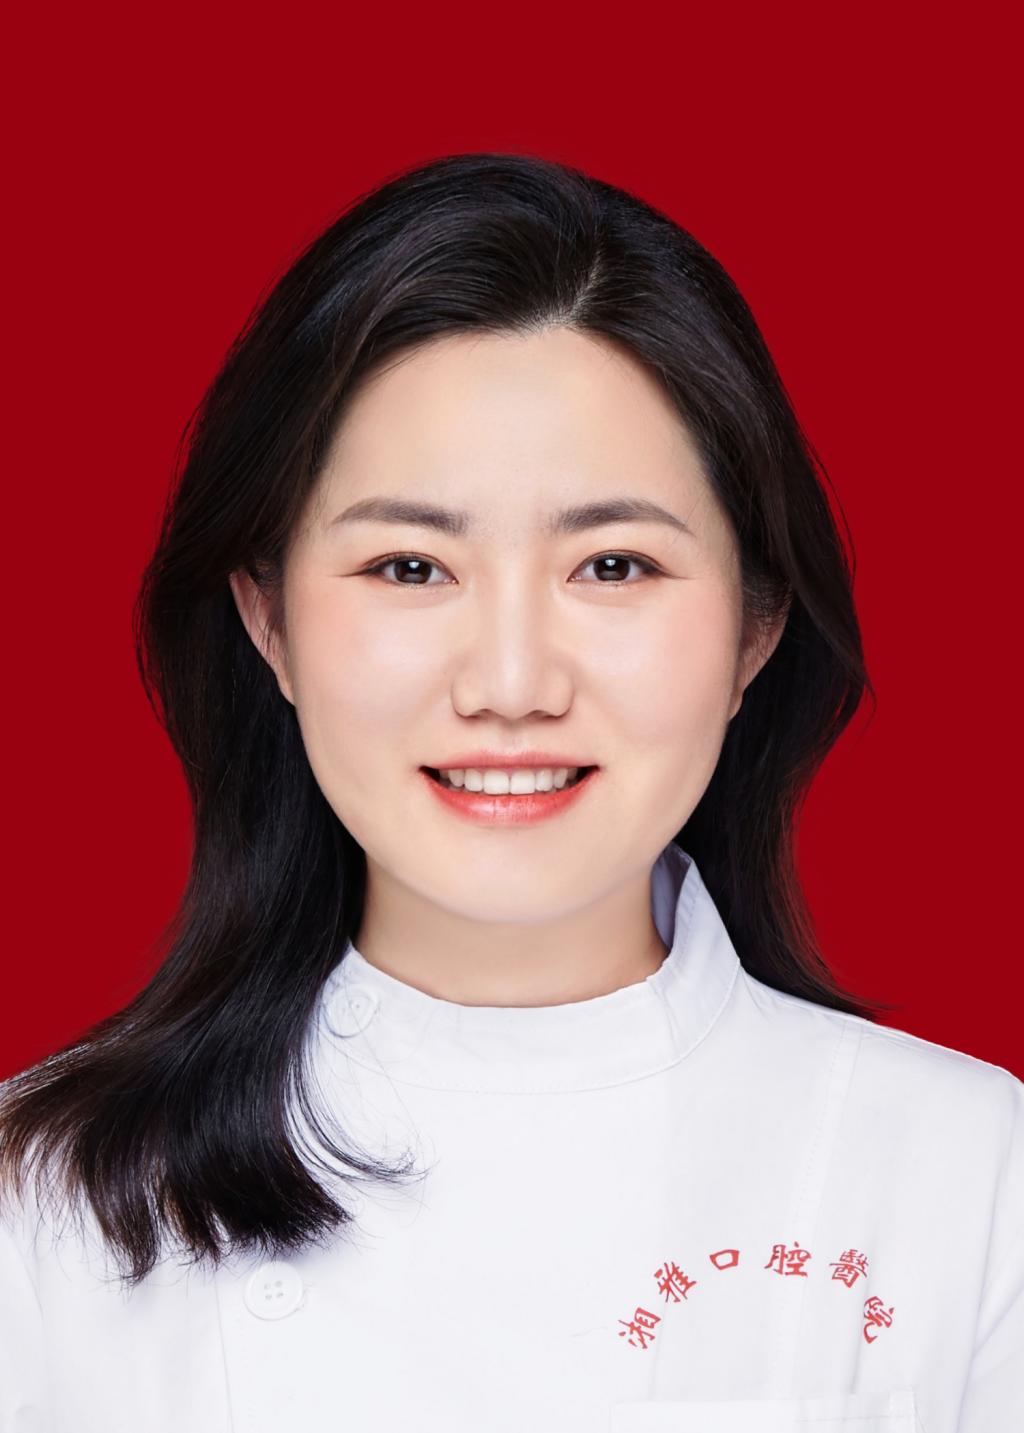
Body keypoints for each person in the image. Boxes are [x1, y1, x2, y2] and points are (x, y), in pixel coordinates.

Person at [0, 151, 1019, 1433]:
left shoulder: (970, 1176)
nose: (512, 683)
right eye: (409, 566)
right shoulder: (40, 1205)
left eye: (614, 564)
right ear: (269, 622)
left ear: (755, 627)